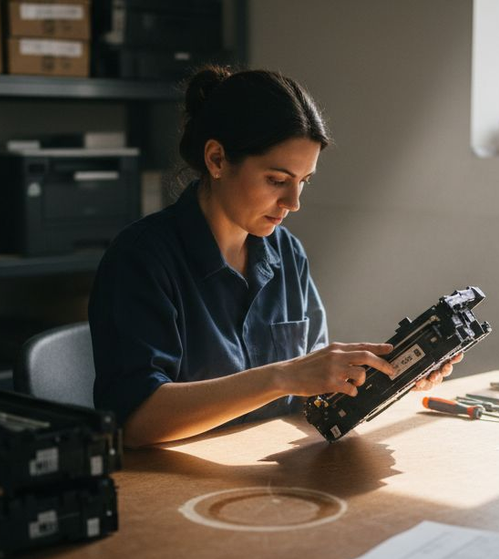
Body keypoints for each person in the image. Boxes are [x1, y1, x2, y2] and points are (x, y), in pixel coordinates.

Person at [89, 66, 460, 448]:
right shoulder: (141, 258)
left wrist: (391, 375)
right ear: (217, 160)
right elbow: (133, 422)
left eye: (303, 182)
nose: (293, 203)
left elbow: (311, 394)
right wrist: (282, 376)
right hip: (173, 487)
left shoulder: (287, 253)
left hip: (268, 476)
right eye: (277, 180)